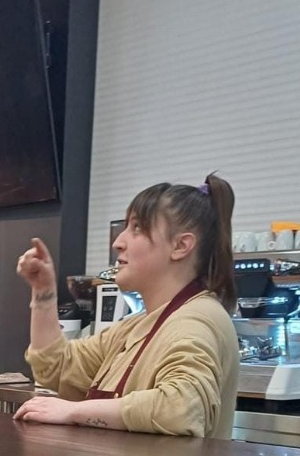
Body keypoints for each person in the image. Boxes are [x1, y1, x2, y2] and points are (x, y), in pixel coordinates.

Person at [15, 173, 239, 439]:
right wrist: (43, 292)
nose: (118, 242)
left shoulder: (197, 320)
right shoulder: (139, 325)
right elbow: (58, 368)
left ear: (181, 246)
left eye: (137, 228)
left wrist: (73, 412)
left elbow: (181, 409)